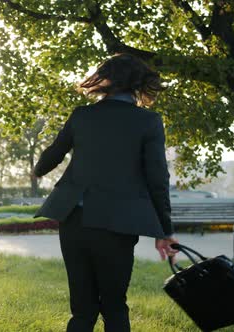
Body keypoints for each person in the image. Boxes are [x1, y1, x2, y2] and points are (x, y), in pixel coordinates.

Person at [31, 53, 179, 332]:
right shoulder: (148, 121)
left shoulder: (82, 115)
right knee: (114, 306)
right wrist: (165, 231)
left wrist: (39, 169)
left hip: (73, 219)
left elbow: (48, 160)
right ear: (138, 82)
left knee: (82, 310)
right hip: (117, 225)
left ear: (106, 79)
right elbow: (157, 179)